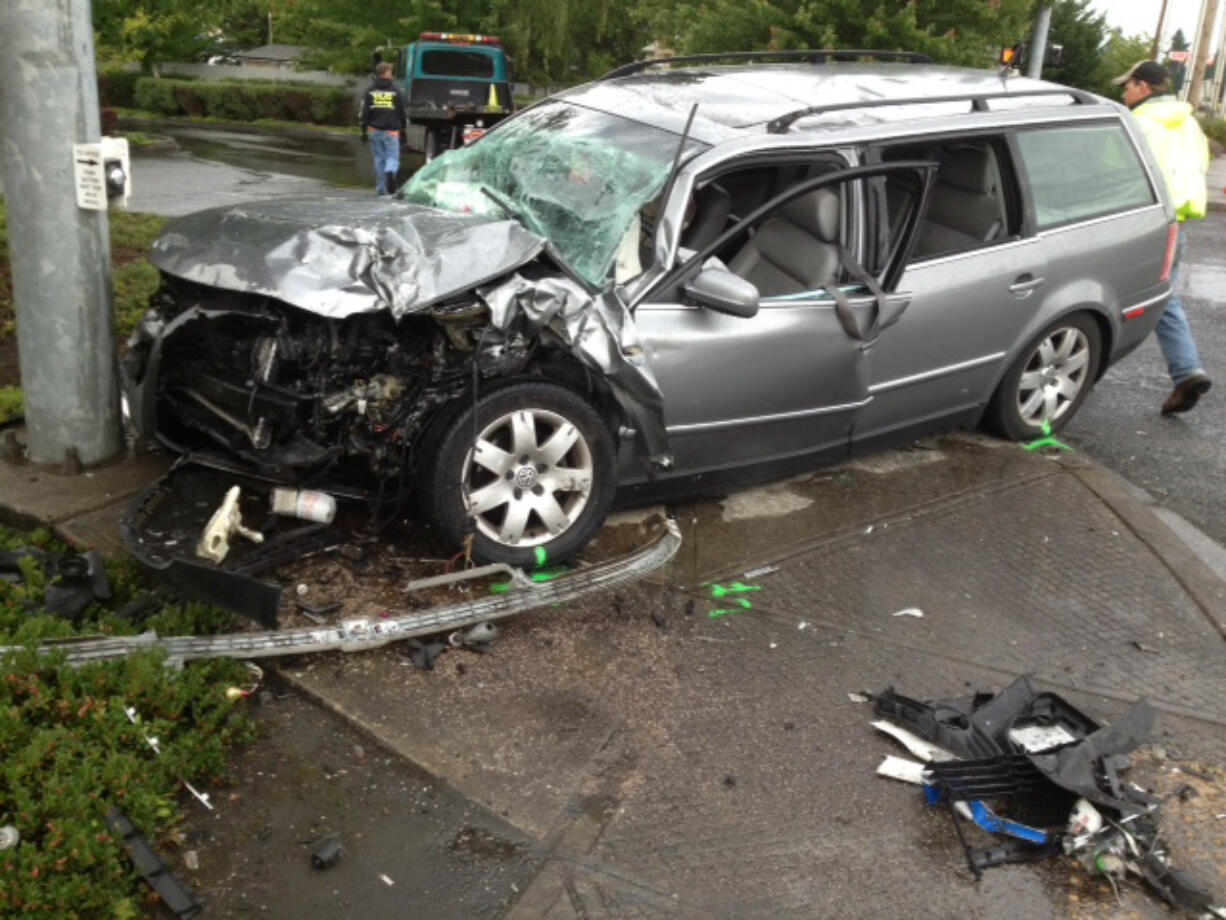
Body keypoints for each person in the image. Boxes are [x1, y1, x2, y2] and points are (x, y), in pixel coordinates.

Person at [1115, 60, 1213, 415]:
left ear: (1142, 88)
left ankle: (1076, 371)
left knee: (1102, 291)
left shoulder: (1137, 123)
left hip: (1139, 221)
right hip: (1177, 222)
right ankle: (1187, 371)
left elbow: (1115, 172)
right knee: (1163, 296)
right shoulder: (1189, 124)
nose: (1124, 93)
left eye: (1127, 86)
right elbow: (1200, 165)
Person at [360, 61, 407, 196]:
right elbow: (401, 111)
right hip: (392, 131)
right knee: (392, 157)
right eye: (390, 72)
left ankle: (381, 189)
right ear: (386, 73)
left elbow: (365, 112)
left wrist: (363, 130)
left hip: (374, 130)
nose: (392, 74)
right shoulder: (395, 91)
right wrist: (403, 128)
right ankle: (390, 171)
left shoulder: (370, 90)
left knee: (379, 159)